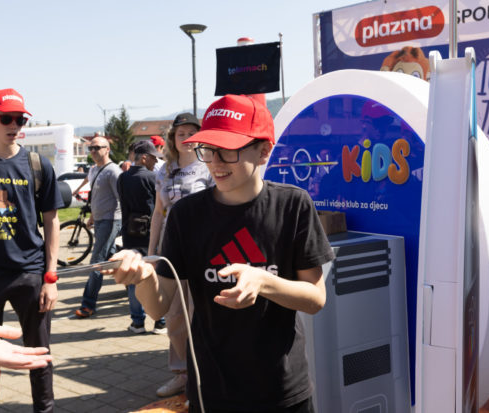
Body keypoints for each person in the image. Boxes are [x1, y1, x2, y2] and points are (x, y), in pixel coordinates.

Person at [112, 95, 334, 412]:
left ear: (264, 151)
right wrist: (144, 278)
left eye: (228, 149)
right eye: (208, 149)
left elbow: (316, 298)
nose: (215, 161)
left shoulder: (292, 206)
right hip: (211, 389)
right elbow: (158, 307)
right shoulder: (186, 215)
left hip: (283, 390)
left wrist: (264, 282)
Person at [0, 88, 63, 412]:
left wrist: (51, 277)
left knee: (38, 355)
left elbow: (52, 221)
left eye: (20, 119)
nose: (15, 124)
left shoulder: (37, 165)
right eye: (7, 118)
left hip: (30, 275)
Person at [147, 112, 212, 396]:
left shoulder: (209, 166)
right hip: (171, 252)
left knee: (203, 315)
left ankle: (206, 377)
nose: (187, 138)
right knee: (174, 317)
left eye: (191, 133)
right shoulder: (164, 170)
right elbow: (158, 214)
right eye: (181, 133)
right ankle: (182, 374)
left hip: (203, 250)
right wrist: (151, 252)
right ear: (173, 137)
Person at [75, 136, 122, 318]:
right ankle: (134, 285)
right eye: (91, 148)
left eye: (97, 148)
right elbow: (95, 197)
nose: (93, 151)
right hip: (100, 220)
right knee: (111, 258)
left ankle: (88, 304)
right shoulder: (94, 170)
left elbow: (121, 198)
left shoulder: (113, 171)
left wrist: (120, 222)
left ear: (107, 149)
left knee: (97, 261)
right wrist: (92, 217)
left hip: (111, 220)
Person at [117, 140, 160, 333]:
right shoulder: (153, 178)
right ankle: (161, 321)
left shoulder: (122, 178)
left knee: (133, 276)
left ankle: (137, 322)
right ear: (143, 157)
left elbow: (124, 206)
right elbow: (158, 209)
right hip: (150, 233)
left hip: (130, 233)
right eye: (153, 158)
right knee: (155, 275)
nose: (155, 162)